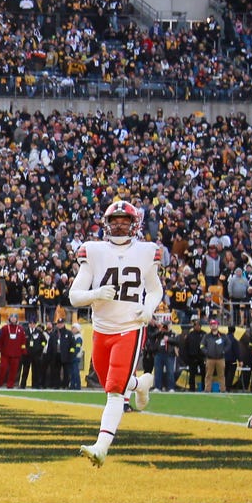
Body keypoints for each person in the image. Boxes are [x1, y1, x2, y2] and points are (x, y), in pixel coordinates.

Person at [69, 200, 161, 467]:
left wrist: (149, 307)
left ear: (135, 225)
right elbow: (75, 296)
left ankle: (102, 446)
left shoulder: (147, 251)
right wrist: (96, 293)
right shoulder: (93, 251)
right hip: (101, 329)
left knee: (114, 391)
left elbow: (155, 289)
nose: (119, 225)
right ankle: (141, 384)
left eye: (125, 221)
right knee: (109, 381)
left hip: (129, 328)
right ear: (106, 225)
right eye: (115, 221)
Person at [0, 313, 26, 388]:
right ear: (9, 319)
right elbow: (0, 340)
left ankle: (10, 384)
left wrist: (23, 350)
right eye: (12, 318)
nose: (13, 319)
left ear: (17, 319)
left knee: (14, 370)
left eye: (14, 318)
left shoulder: (20, 329)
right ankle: (0, 383)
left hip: (16, 354)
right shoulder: (5, 328)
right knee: (3, 368)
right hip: (5, 353)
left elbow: (23, 341)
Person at [180, 317, 204, 391]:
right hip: (192, 358)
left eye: (198, 325)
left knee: (204, 373)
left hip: (202, 357)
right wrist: (186, 359)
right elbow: (185, 347)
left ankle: (204, 388)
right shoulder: (190, 335)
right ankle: (192, 388)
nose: (197, 327)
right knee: (192, 374)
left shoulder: (204, 334)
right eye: (195, 325)